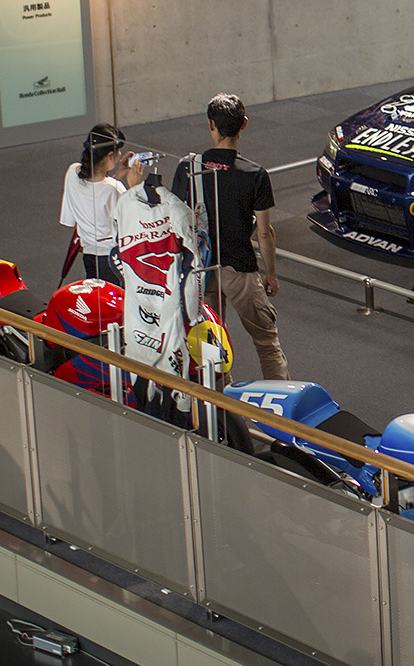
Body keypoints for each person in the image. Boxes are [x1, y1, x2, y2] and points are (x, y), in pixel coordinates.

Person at [174, 94, 289, 380]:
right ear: (244, 124)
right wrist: (271, 274)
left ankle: (221, 404)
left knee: (210, 349)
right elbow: (264, 232)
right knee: (267, 343)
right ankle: (281, 403)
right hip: (240, 269)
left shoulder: (189, 167)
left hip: (202, 271)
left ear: (210, 125)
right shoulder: (255, 174)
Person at [110, 159, 205, 423]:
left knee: (140, 377)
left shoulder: (123, 204)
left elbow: (114, 253)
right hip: (167, 312)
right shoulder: (179, 211)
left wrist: (130, 280)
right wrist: (193, 314)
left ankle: (145, 427)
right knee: (175, 386)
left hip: (136, 312)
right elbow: (194, 268)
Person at [58, 124, 142, 286]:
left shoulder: (72, 172)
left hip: (89, 255)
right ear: (110, 156)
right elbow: (138, 220)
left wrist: (118, 175)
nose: (119, 155)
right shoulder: (115, 188)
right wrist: (135, 186)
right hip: (112, 260)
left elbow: (98, 194)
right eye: (118, 151)